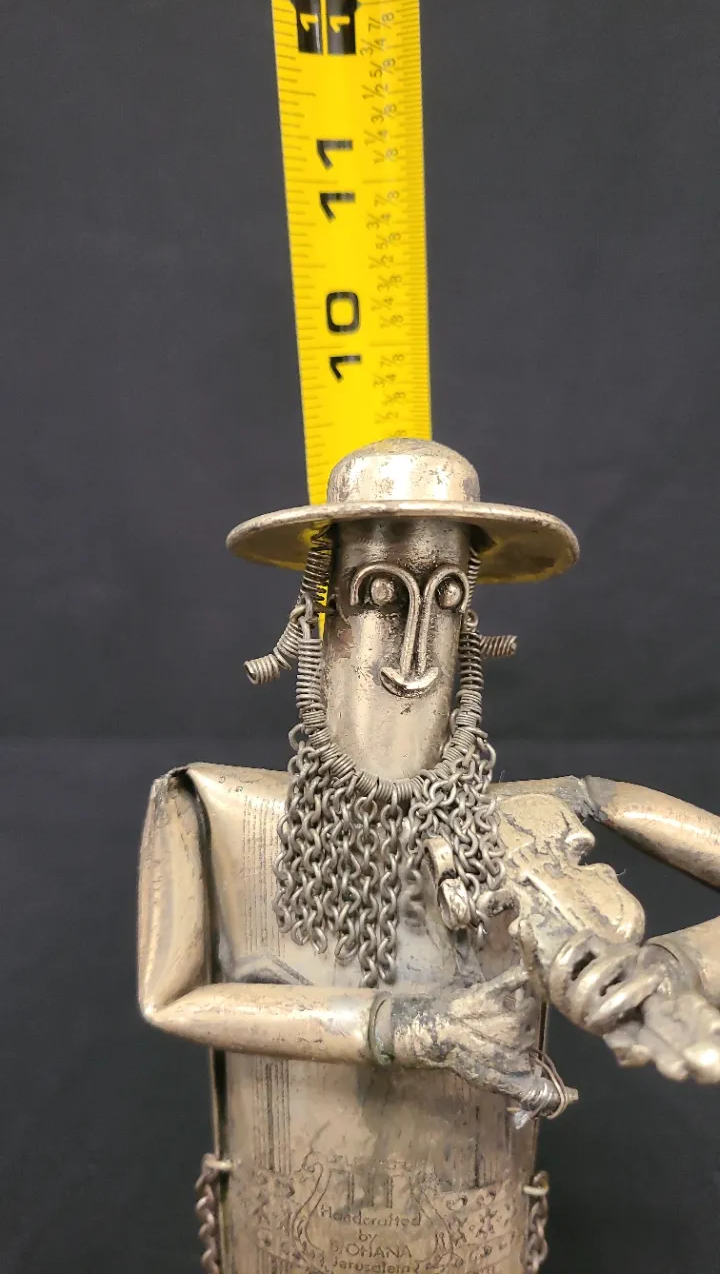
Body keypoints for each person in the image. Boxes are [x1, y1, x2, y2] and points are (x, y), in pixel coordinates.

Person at [138, 438, 720, 1274]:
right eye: (380, 595)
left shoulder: (538, 817)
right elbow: (172, 998)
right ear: (317, 615)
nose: (415, 650)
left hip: (472, 1224)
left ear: (471, 623)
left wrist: (667, 967)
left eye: (446, 598)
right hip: (284, 1222)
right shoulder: (215, 806)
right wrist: (413, 1030)